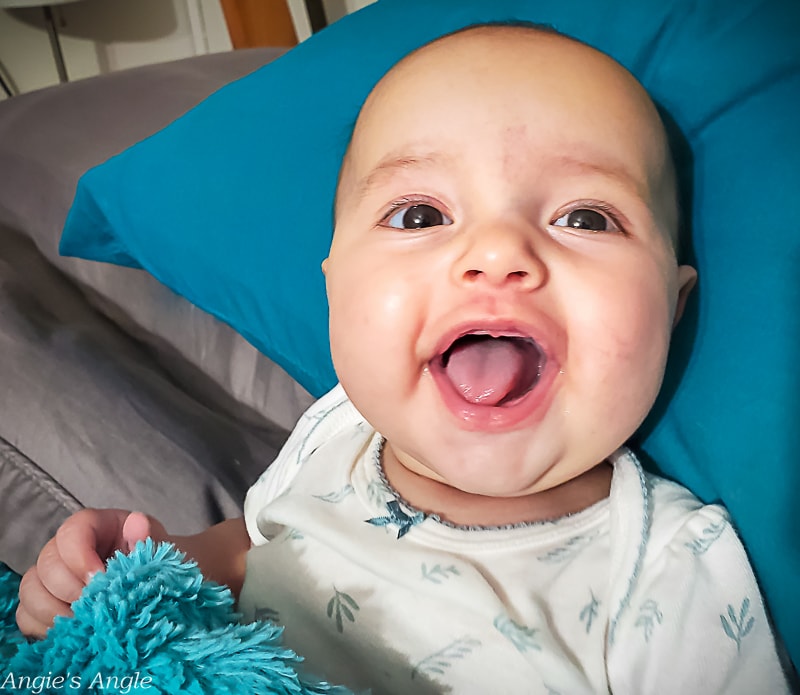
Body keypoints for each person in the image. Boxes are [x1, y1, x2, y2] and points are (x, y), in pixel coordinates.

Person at [17, 23, 791, 694]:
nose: (497, 252)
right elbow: (256, 546)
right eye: (421, 213)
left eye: (584, 216)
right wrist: (149, 564)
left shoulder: (669, 570)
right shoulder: (336, 433)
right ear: (334, 287)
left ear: (675, 302)